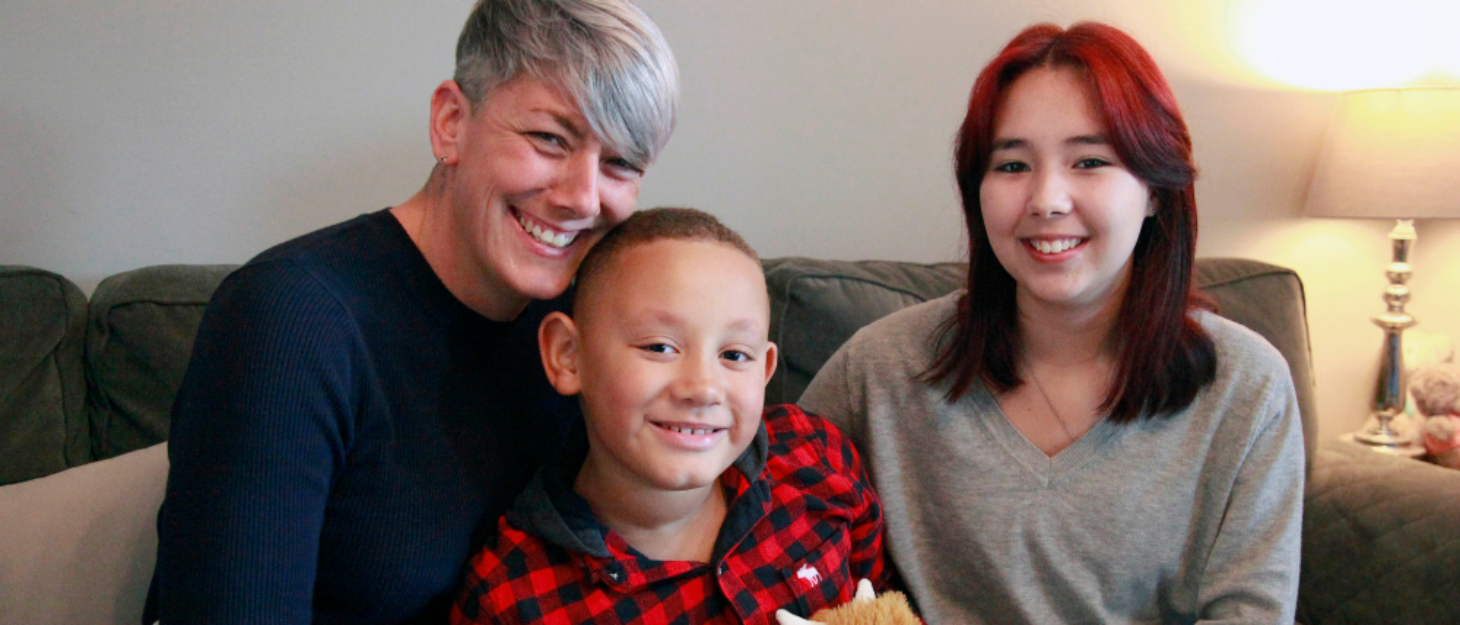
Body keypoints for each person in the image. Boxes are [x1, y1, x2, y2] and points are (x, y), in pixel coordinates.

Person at [145, 1, 677, 623]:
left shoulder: (595, 317)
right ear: (451, 121)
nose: (582, 198)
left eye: (620, 163)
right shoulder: (290, 320)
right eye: (550, 139)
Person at [800, 22, 1304, 624]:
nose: (1046, 199)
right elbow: (752, 521)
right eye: (1012, 166)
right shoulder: (880, 369)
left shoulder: (1246, 387)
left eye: (1089, 160)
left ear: (1155, 192)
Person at [451, 208, 890, 625]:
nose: (701, 387)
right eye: (659, 347)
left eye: (734, 354)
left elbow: (886, 600)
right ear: (569, 356)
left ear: (765, 371)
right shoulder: (510, 597)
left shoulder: (817, 458)